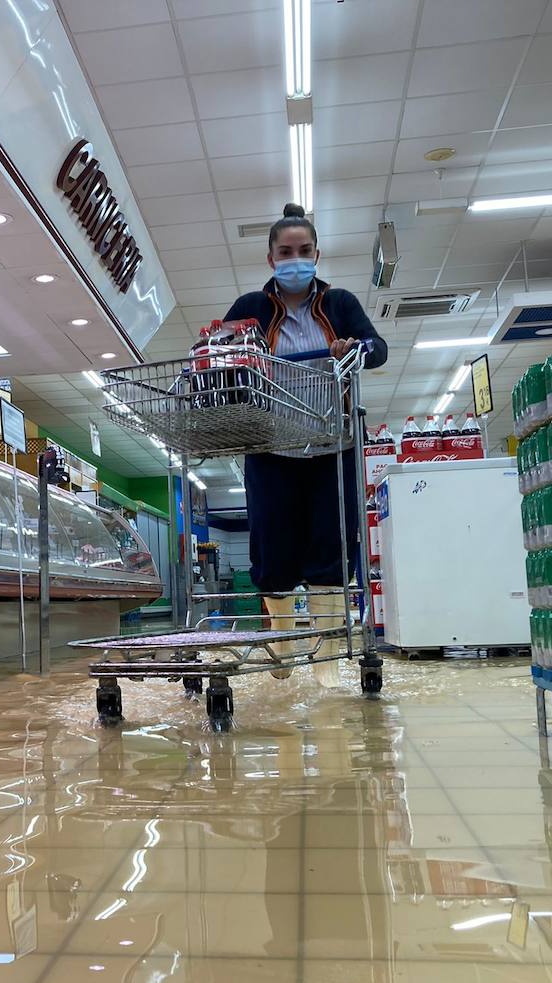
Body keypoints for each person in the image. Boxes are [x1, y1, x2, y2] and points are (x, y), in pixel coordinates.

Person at [223, 202, 388, 682]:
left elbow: (376, 349)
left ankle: (324, 660)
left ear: (317, 253)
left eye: (304, 250)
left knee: (329, 546)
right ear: (271, 258)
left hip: (332, 445)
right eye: (285, 251)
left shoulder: (340, 305)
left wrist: (353, 347)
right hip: (271, 446)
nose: (296, 258)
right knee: (273, 550)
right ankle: (283, 639)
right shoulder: (251, 307)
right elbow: (213, 353)